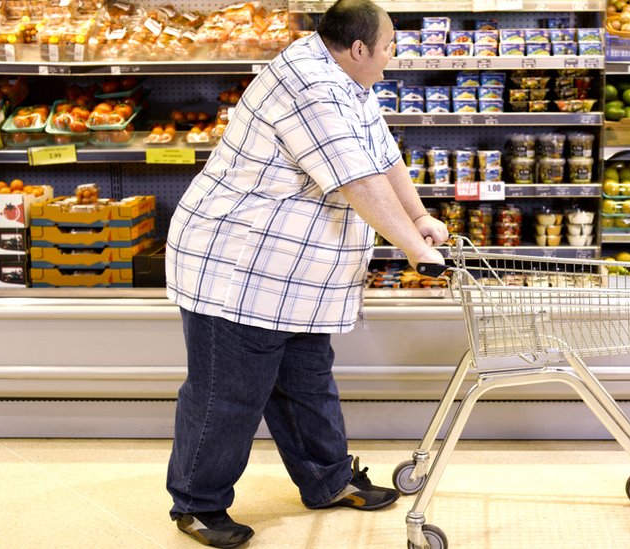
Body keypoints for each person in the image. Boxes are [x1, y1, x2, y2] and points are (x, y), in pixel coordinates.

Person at [164, 0, 448, 546]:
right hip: (240, 266)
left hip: (293, 272)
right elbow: (355, 180)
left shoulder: (347, 78)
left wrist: (417, 216)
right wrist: (414, 248)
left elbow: (382, 156)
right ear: (360, 47)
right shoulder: (310, 86)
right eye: (389, 46)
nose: (394, 57)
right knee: (228, 393)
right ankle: (197, 504)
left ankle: (327, 479)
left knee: (307, 382)